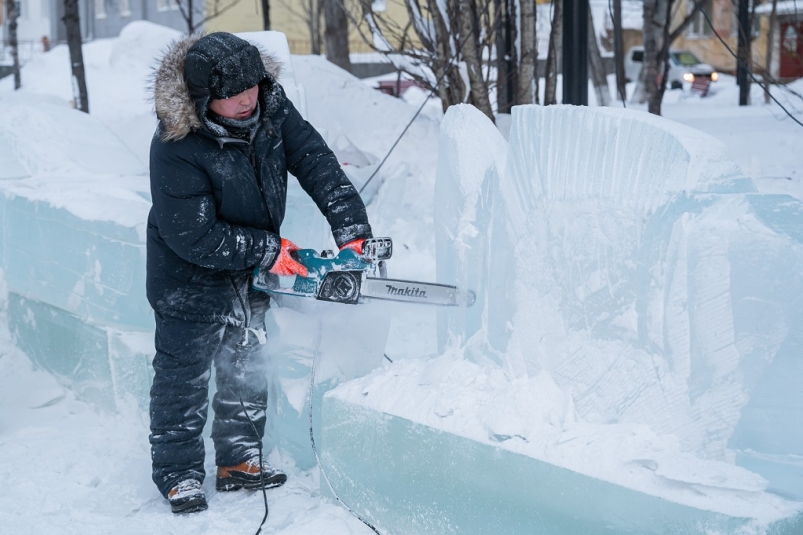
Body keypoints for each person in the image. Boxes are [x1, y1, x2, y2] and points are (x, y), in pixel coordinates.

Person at [147, 32, 373, 514]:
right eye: (234, 94)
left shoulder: (271, 109)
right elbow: (194, 236)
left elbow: (315, 161)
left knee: (246, 359)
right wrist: (268, 249)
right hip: (186, 277)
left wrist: (351, 228)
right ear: (205, 98)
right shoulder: (176, 144)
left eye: (253, 86)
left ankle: (239, 459)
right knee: (182, 376)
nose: (248, 98)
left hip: (249, 266)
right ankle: (178, 473)